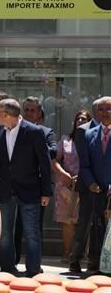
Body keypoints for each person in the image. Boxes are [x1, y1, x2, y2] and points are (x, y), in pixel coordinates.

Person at [0, 98, 52, 277]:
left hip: (30, 190)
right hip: (4, 190)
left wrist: (46, 191)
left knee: (32, 232)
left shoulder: (34, 132)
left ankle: (33, 269)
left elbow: (44, 163)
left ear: (7, 115)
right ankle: (7, 267)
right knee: (6, 233)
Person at [69, 98, 104, 273]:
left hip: (106, 185)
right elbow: (83, 159)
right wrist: (91, 182)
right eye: (103, 109)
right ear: (97, 111)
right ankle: (75, 259)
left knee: (100, 225)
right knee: (85, 222)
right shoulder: (84, 131)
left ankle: (95, 261)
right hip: (88, 185)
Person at [77, 96, 111, 275]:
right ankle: (98, 267)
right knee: (98, 229)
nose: (105, 112)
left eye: (109, 109)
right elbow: (84, 164)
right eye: (102, 109)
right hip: (96, 190)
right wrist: (90, 183)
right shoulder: (89, 134)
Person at [52, 110, 92, 263]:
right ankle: (68, 252)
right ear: (74, 122)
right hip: (66, 186)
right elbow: (55, 160)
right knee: (67, 221)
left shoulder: (92, 138)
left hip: (87, 184)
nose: (81, 121)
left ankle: (84, 255)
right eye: (78, 119)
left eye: (84, 119)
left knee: (85, 220)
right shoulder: (66, 140)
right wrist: (64, 174)